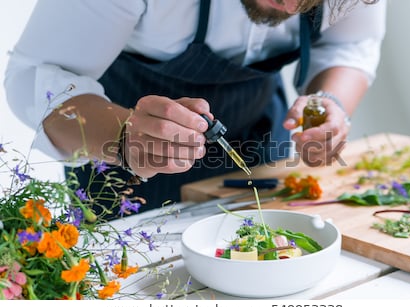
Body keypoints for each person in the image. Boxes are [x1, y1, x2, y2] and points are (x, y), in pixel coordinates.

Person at [4, 0, 386, 217]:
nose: (288, 5)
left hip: (260, 137)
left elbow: (348, 45)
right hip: (122, 163)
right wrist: (123, 135)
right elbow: (37, 76)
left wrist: (326, 106)